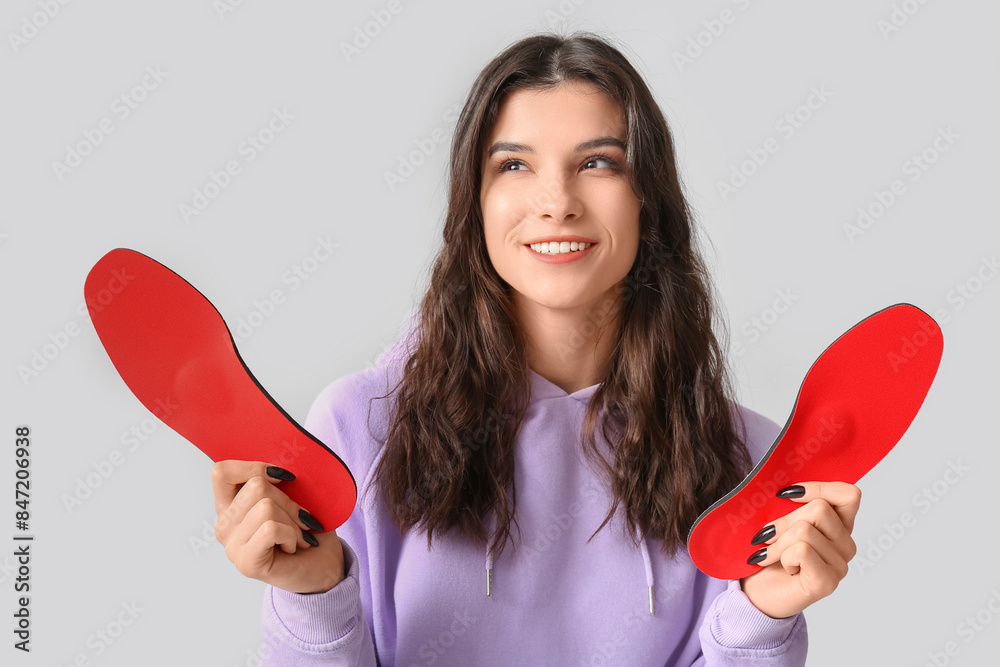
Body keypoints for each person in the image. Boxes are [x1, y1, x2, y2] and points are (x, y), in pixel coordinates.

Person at [211, 31, 860, 666]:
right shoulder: (358, 426)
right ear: (475, 203)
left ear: (647, 200)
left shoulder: (748, 458)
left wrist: (764, 615)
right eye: (514, 164)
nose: (556, 203)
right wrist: (315, 594)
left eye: (598, 161)